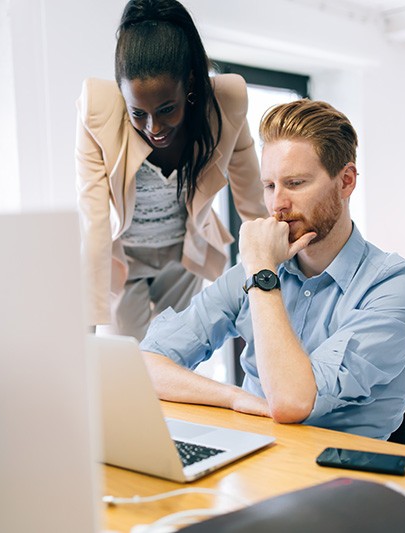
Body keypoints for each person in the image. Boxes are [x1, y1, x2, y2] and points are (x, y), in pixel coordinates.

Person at [140, 99, 405, 440]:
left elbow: (292, 401)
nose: (277, 205)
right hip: (257, 461)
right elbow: (146, 364)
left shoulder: (396, 286)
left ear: (346, 181)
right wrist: (234, 397)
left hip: (344, 480)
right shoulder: (260, 266)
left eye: (296, 183)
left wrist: (262, 275)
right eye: (270, 186)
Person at [75, 0, 267, 340]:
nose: (154, 126)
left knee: (174, 358)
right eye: (139, 113)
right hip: (126, 257)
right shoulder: (96, 108)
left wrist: (271, 279)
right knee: (128, 361)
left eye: (167, 109)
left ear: (189, 84)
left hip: (184, 253)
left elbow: (253, 203)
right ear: (122, 94)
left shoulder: (226, 103)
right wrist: (85, 330)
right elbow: (93, 220)